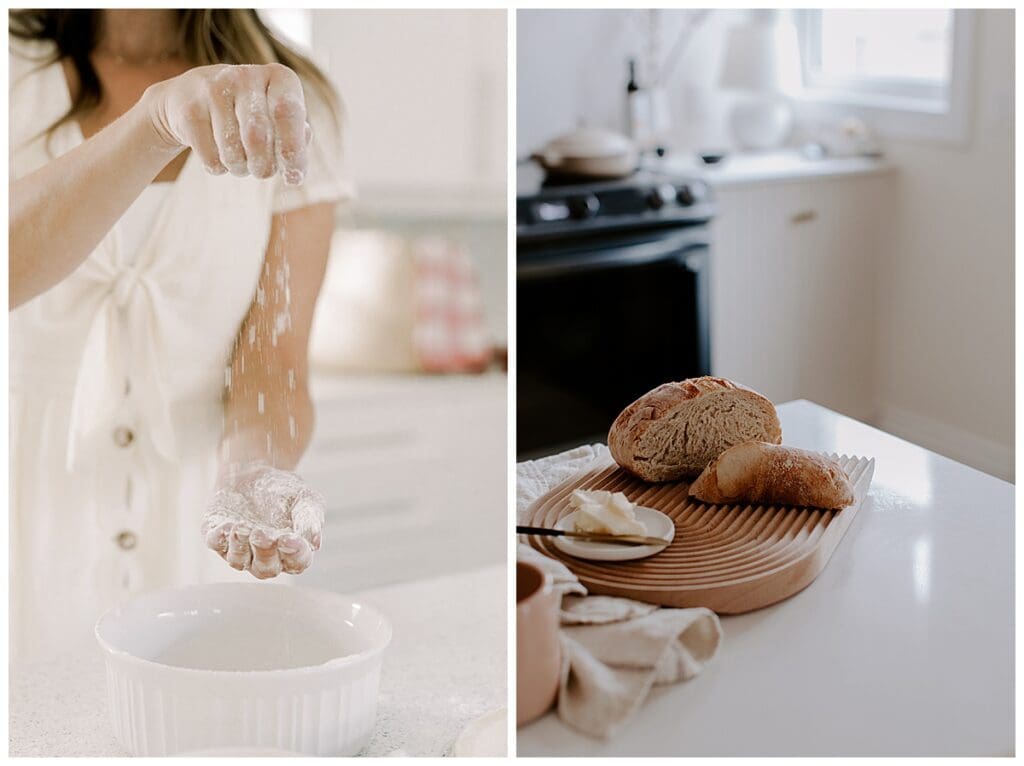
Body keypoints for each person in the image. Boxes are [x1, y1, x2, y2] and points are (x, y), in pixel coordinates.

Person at [9, 9, 351, 660]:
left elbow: (272, 358)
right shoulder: (14, 72)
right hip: (22, 495)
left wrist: (253, 470)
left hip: (194, 507)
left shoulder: (291, 104)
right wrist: (154, 123)